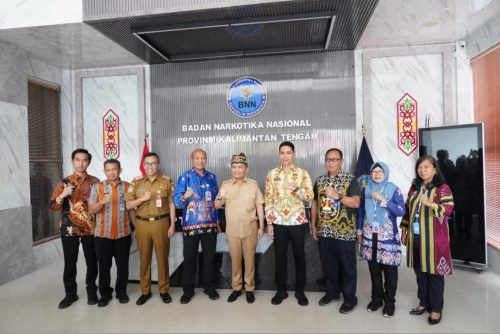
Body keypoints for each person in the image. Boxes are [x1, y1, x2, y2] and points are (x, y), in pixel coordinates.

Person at [400, 155, 454, 325]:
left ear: (434, 169)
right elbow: (408, 211)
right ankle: (424, 302)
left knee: (435, 274)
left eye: (426, 167)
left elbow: (448, 210)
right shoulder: (414, 187)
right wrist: (404, 230)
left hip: (434, 240)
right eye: (419, 167)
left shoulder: (442, 188)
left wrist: (431, 204)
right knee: (420, 273)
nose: (422, 170)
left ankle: (436, 308)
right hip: (415, 237)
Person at [310, 148, 361, 314]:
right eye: (328, 159)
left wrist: (338, 196)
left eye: (334, 159)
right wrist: (313, 224)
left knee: (348, 267)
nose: (330, 162)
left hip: (344, 231)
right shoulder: (320, 180)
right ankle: (332, 293)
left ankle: (349, 299)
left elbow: (355, 203)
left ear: (342, 161)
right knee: (328, 265)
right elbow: (315, 203)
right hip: (325, 231)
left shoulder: (350, 180)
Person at [49, 148, 99, 309]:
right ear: (72, 161)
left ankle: (92, 291)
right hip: (69, 228)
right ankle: (70, 294)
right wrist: (63, 194)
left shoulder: (95, 182)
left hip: (90, 228)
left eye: (84, 160)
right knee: (70, 262)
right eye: (77, 160)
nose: (81, 163)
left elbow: (99, 205)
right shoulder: (65, 182)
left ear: (89, 162)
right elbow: (53, 206)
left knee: (92, 261)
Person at [265, 141, 313, 306]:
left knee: (299, 256)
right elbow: (268, 199)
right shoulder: (271, 174)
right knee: (280, 256)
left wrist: (294, 188)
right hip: (278, 221)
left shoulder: (302, 173)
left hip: (297, 221)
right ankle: (281, 290)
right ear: (279, 155)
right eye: (282, 153)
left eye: (288, 153)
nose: (285, 156)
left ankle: (300, 291)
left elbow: (309, 197)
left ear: (294, 154)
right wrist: (269, 223)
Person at [125, 152, 176, 306]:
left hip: (161, 223)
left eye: (153, 163)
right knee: (144, 259)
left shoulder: (166, 182)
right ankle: (145, 291)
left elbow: (172, 204)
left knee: (162, 259)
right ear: (143, 165)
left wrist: (172, 224)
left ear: (158, 165)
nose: (150, 166)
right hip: (142, 225)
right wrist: (141, 199)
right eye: (147, 163)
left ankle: (163, 290)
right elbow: (128, 206)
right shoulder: (136, 182)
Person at [214, 153, 265, 303]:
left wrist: (261, 226)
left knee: (249, 262)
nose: (237, 170)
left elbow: (259, 206)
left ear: (246, 169)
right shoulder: (226, 185)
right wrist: (219, 196)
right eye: (234, 167)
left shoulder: (253, 185)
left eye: (240, 167)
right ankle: (236, 288)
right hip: (233, 231)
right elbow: (217, 205)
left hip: (250, 230)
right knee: (235, 261)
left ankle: (249, 288)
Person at [356, 162, 405, 317]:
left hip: (388, 237)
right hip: (370, 236)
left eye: (380, 171)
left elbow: (401, 210)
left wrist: (384, 200)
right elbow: (361, 211)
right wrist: (359, 231)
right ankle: (376, 299)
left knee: (390, 271)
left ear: (386, 173)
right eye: (374, 171)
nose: (376, 174)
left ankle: (390, 302)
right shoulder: (366, 189)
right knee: (374, 270)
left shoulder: (393, 189)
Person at [173, 148, 220, 304]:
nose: (200, 161)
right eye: (197, 158)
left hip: (210, 224)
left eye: (203, 158)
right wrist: (184, 196)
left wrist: (218, 221)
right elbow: (176, 201)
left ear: (206, 159)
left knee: (209, 258)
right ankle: (188, 290)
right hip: (190, 225)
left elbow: (217, 202)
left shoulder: (212, 177)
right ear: (192, 160)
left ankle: (209, 287)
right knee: (190, 258)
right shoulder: (185, 177)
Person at [88, 159, 134, 306]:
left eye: (114, 169)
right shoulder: (97, 187)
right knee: (104, 266)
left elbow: (131, 209)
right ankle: (105, 294)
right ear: (104, 171)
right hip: (102, 235)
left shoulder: (128, 187)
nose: (111, 172)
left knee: (123, 266)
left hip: (123, 233)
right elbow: (90, 210)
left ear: (120, 170)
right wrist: (102, 202)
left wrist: (136, 227)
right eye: (108, 170)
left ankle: (121, 292)